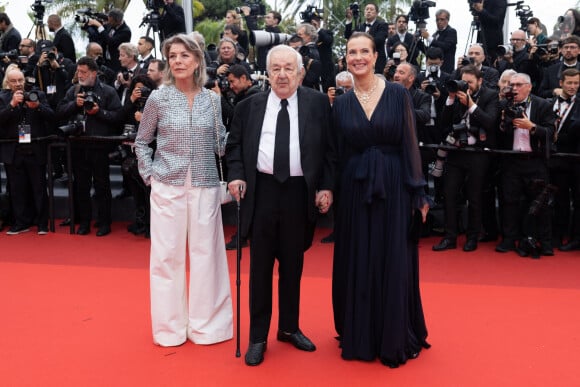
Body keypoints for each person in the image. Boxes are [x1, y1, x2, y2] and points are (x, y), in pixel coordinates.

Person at [226, 44, 335, 366]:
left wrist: (326, 186)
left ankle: (288, 328)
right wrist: (235, 177)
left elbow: (330, 150)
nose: (283, 74)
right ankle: (258, 336)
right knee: (259, 269)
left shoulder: (317, 104)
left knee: (293, 267)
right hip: (261, 192)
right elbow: (233, 148)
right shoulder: (248, 106)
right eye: (276, 68)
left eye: (289, 68)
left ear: (301, 73)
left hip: (299, 193)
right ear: (267, 73)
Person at [331, 32, 430, 368]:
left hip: (393, 184)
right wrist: (331, 190)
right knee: (359, 256)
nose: (357, 57)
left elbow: (409, 143)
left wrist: (418, 190)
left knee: (391, 255)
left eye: (364, 51)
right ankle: (360, 333)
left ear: (376, 56)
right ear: (346, 58)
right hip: (355, 186)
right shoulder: (342, 103)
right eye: (351, 52)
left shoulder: (398, 93)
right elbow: (338, 153)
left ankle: (392, 333)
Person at [135, 34, 233, 347]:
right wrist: (151, 176)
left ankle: (209, 326)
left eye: (184, 56)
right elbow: (141, 141)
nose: (177, 61)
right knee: (166, 258)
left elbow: (220, 146)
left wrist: (235, 132)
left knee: (208, 256)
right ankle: (169, 328)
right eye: (172, 56)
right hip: (167, 186)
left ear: (197, 61)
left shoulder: (212, 100)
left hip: (205, 186)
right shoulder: (158, 98)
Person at [432, 65, 499, 252]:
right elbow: (443, 124)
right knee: (450, 194)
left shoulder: (490, 96)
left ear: (480, 81)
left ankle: (472, 238)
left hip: (478, 152)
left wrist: (471, 105)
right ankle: (450, 237)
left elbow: (489, 122)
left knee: (474, 196)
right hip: (456, 151)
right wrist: (451, 99)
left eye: (470, 82)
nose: (466, 85)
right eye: (464, 81)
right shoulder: (457, 93)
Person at [56, 56, 124, 237]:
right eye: (78, 71)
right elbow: (60, 112)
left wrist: (98, 112)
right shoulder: (73, 90)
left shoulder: (108, 91)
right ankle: (84, 222)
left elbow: (118, 117)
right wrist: (74, 105)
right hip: (78, 145)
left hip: (99, 144)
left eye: (84, 72)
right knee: (81, 186)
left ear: (94, 73)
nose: (80, 75)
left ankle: (104, 222)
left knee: (102, 185)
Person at [495, 73, 556, 258]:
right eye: (512, 85)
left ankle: (545, 242)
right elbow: (498, 133)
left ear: (529, 87)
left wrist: (532, 127)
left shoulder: (542, 105)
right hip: (512, 161)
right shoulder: (505, 105)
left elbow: (551, 132)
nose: (514, 88)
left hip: (535, 161)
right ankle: (508, 239)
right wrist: (503, 122)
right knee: (509, 202)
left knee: (540, 205)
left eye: (519, 85)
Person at [0, 67, 55, 235]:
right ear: (7, 83)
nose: (18, 85)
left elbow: (52, 116)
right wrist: (11, 105)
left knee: (39, 188)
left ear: (25, 80)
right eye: (14, 81)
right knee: (17, 190)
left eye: (20, 81)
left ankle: (42, 223)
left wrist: (37, 106)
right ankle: (20, 222)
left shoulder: (38, 94)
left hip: (34, 148)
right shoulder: (3, 98)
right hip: (13, 149)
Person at [549, 69, 580, 251]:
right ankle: (557, 235)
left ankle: (576, 238)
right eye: (570, 83)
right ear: (561, 83)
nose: (573, 87)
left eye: (576, 83)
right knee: (559, 199)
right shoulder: (550, 102)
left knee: (578, 200)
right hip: (556, 159)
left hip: (576, 159)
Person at [345, 3, 388, 74]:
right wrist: (349, 20)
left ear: (376, 13)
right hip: (361, 61)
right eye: (367, 9)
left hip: (376, 61)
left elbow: (380, 39)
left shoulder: (382, 25)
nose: (368, 11)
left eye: (371, 9)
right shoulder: (360, 26)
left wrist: (362, 42)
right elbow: (348, 36)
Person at [86, 8, 132, 72]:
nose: (109, 22)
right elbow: (101, 34)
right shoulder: (111, 25)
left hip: (116, 63)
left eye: (111, 21)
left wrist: (99, 26)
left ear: (118, 21)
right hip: (105, 60)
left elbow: (110, 41)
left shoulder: (125, 31)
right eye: (108, 20)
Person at [470, 0, 507, 65]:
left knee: (492, 65)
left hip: (493, 41)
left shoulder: (500, 1)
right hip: (481, 37)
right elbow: (473, 8)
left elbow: (496, 21)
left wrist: (481, 11)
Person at [421, 9, 457, 74]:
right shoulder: (435, 34)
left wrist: (428, 38)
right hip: (432, 69)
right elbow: (429, 52)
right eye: (437, 20)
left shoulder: (451, 31)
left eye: (442, 19)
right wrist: (418, 42)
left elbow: (445, 46)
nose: (439, 22)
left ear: (447, 20)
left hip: (445, 70)